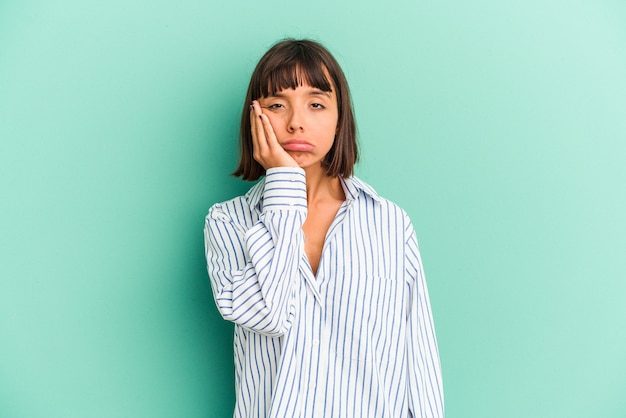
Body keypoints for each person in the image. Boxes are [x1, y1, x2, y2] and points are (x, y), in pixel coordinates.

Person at [204, 38, 443, 418]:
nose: (296, 121)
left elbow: (419, 358)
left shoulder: (390, 224)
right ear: (255, 117)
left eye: (316, 104)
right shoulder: (228, 222)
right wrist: (284, 182)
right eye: (277, 105)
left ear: (339, 118)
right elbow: (269, 314)